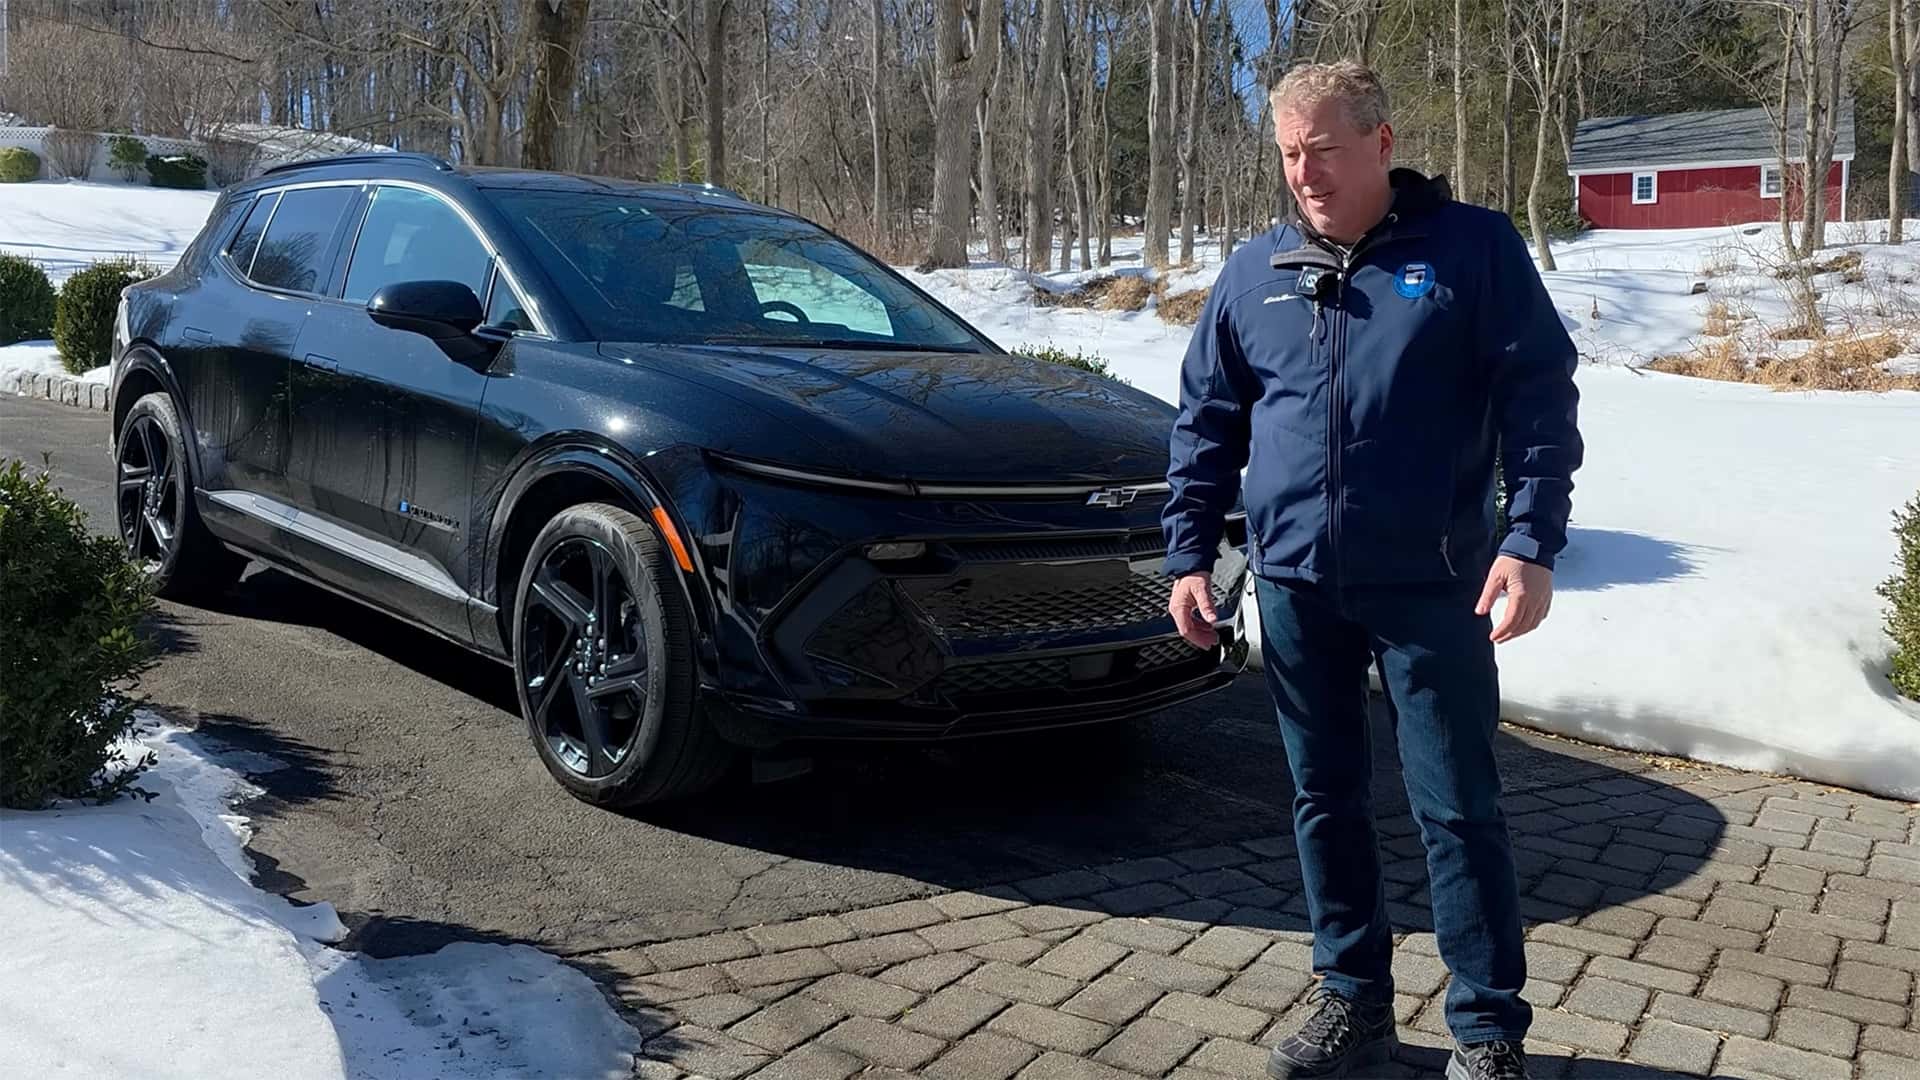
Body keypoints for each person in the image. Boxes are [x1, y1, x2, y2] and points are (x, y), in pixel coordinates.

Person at [1161, 61, 1582, 1080]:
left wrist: (1530, 541)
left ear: (1383, 143)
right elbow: (1208, 422)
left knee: (1456, 804)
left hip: (1434, 585)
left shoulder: (1471, 249)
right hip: (1298, 584)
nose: (1306, 173)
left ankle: (1486, 1030)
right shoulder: (1253, 271)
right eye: (1290, 153)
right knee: (1323, 798)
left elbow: (1539, 401)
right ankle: (1352, 997)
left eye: (1327, 150)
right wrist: (1195, 556)